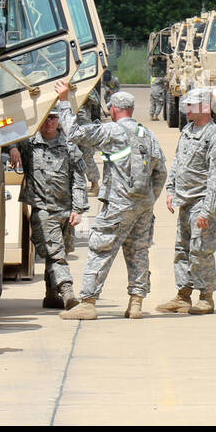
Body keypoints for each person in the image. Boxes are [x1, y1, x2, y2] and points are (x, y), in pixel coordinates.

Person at [53, 81, 167, 320]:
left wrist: (64, 101)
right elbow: (161, 172)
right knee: (138, 252)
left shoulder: (111, 131)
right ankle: (136, 303)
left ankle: (88, 302)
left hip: (117, 205)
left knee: (100, 249)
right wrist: (149, 198)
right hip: (143, 206)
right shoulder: (148, 134)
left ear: (114, 110)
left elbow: (74, 133)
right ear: (132, 110)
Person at [156, 87, 216, 316]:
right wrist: (170, 190)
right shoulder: (188, 131)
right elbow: (178, 162)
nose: (186, 108)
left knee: (200, 251)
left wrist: (207, 212)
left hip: (202, 202)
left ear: (206, 108)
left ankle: (206, 296)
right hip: (185, 201)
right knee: (182, 249)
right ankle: (183, 295)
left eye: (191, 105)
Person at [10, 109, 88, 310]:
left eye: (53, 117)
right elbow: (5, 129)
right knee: (56, 255)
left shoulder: (70, 147)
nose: (49, 122)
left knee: (58, 252)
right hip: (43, 210)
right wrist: (12, 147)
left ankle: (51, 295)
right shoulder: (28, 144)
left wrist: (78, 209)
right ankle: (68, 292)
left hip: (66, 211)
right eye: (45, 117)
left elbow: (78, 180)